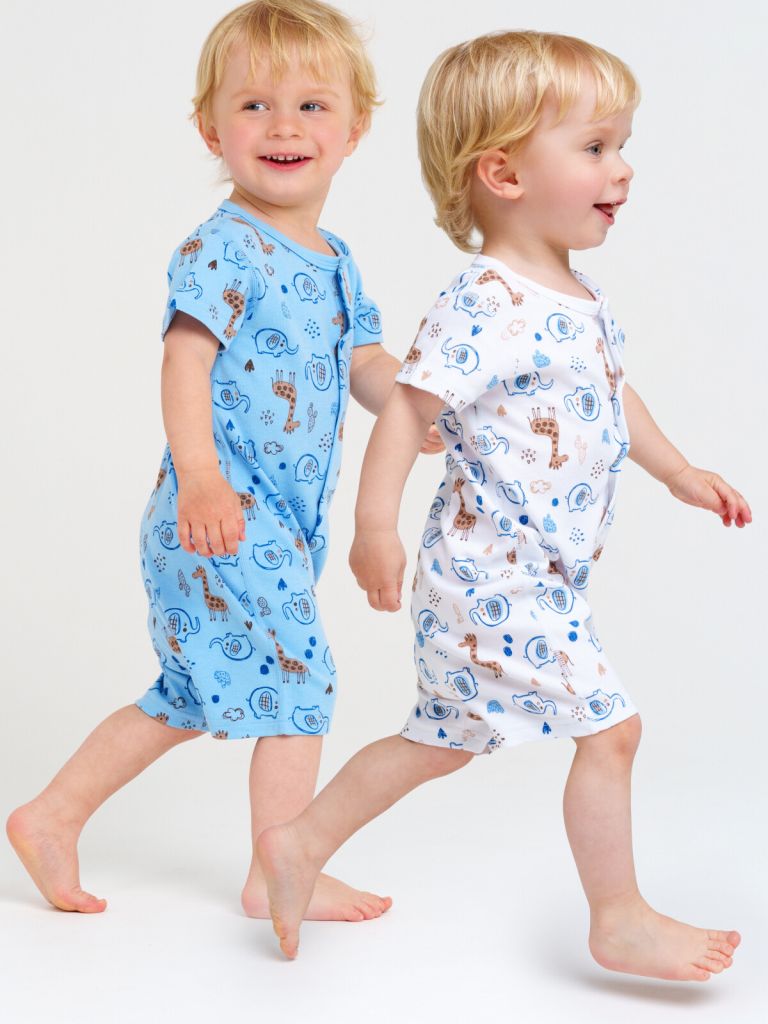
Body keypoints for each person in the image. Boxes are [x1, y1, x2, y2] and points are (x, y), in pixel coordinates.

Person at [257, 30, 751, 978]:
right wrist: (373, 528)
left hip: (540, 577)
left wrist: (679, 471)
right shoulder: (484, 300)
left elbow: (612, 393)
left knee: (441, 742)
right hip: (492, 575)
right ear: (504, 173)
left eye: (622, 145)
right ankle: (618, 918)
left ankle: (297, 841)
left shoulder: (576, 294)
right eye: (595, 146)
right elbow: (408, 411)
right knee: (612, 731)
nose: (623, 168)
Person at [6, 0, 441, 923]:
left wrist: (414, 406)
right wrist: (200, 477)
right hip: (222, 512)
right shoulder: (223, 247)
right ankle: (279, 867)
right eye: (254, 106)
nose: (284, 126)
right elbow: (184, 361)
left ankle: (51, 816)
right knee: (300, 682)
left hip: (277, 522)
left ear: (356, 128)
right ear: (211, 128)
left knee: (190, 692)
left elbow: (363, 362)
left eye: (312, 106)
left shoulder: (336, 259)